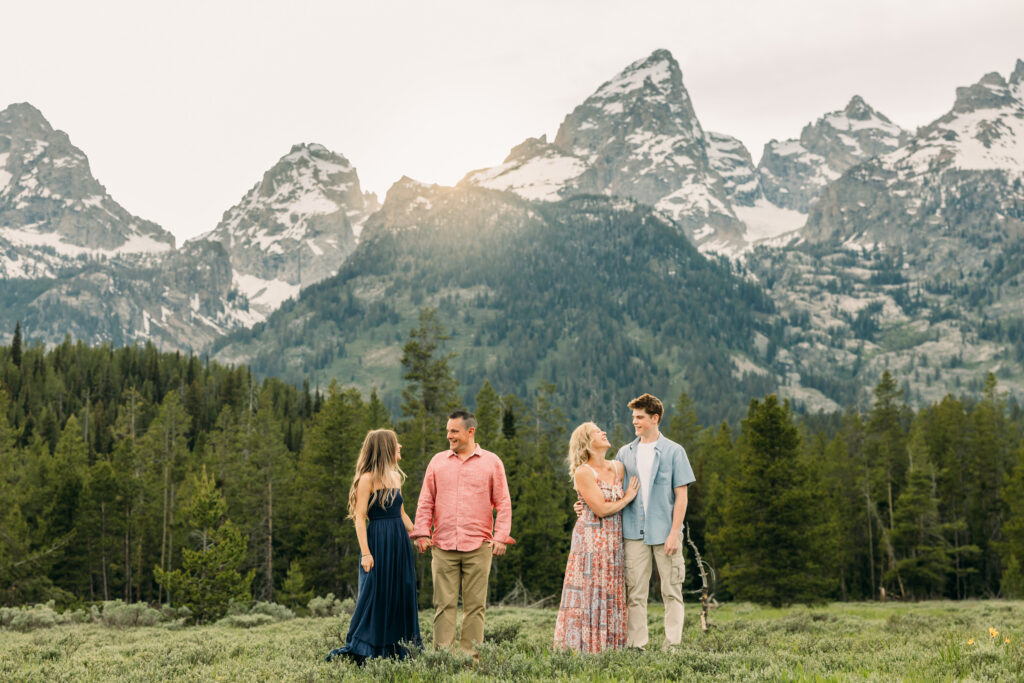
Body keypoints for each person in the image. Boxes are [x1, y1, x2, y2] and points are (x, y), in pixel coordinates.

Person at [411, 410, 514, 657]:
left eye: (454, 431)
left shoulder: (492, 462)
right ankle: (443, 659)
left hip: (478, 546)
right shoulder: (437, 462)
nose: (449, 436)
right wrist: (422, 533)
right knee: (443, 606)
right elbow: (426, 500)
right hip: (443, 545)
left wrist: (500, 536)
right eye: (448, 431)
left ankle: (470, 661)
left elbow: (503, 502)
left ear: (470, 432)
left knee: (475, 607)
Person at [326, 429, 421, 664]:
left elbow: (401, 512)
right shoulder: (367, 478)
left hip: (399, 542)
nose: (400, 447)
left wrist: (419, 534)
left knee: (401, 592)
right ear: (385, 447)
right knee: (375, 595)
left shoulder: (395, 477)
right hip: (378, 542)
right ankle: (367, 649)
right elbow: (360, 517)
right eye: (396, 443)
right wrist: (366, 554)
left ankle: (400, 650)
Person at [616, 393, 695, 650]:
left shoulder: (674, 451)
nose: (635, 422)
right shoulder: (624, 453)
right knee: (634, 594)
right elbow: (610, 488)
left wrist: (675, 532)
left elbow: (681, 497)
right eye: (634, 418)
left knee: (671, 592)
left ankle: (672, 646)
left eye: (640, 417)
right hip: (633, 533)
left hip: (666, 534)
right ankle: (637, 646)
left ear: (655, 418)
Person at [554, 422, 640, 653]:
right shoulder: (584, 472)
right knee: (590, 591)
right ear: (587, 443)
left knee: (611, 591)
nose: (603, 432)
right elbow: (601, 509)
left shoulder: (618, 467)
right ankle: (586, 649)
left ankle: (610, 648)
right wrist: (627, 498)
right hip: (590, 542)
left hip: (613, 542)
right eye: (597, 432)